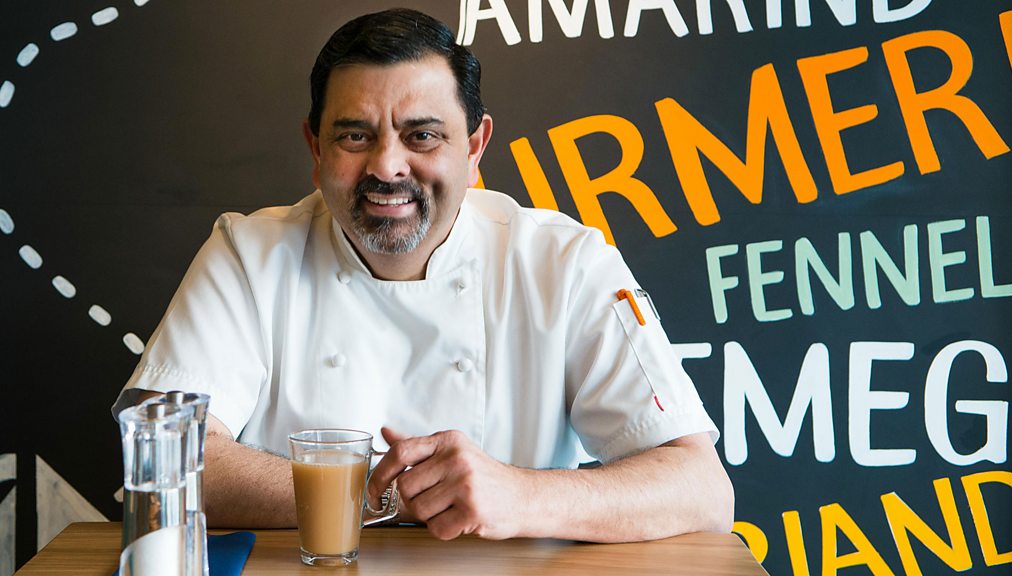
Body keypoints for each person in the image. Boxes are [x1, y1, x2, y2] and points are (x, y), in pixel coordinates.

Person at [114, 7, 733, 542]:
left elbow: (703, 489)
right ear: (316, 148)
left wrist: (517, 495)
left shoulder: (564, 264)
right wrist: (395, 494)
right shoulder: (248, 254)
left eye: (423, 136)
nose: (387, 166)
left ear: (475, 146)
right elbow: (164, 462)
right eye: (355, 135)